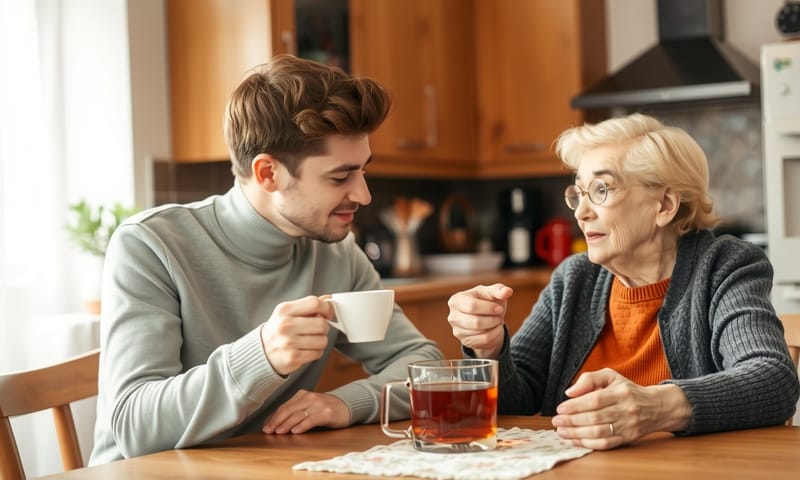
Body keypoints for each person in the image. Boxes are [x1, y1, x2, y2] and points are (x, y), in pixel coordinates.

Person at [90, 54, 442, 464]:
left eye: (363, 171)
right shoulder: (150, 245)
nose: (363, 195)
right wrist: (262, 355)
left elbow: (423, 365)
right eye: (339, 176)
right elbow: (135, 426)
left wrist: (351, 403)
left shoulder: (335, 253)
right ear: (268, 174)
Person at [447, 113, 800, 450]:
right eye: (579, 194)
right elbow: (516, 402)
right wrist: (489, 349)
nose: (582, 213)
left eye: (602, 189)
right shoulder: (574, 278)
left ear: (664, 205)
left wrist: (656, 407)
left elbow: (772, 379)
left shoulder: (725, 266)